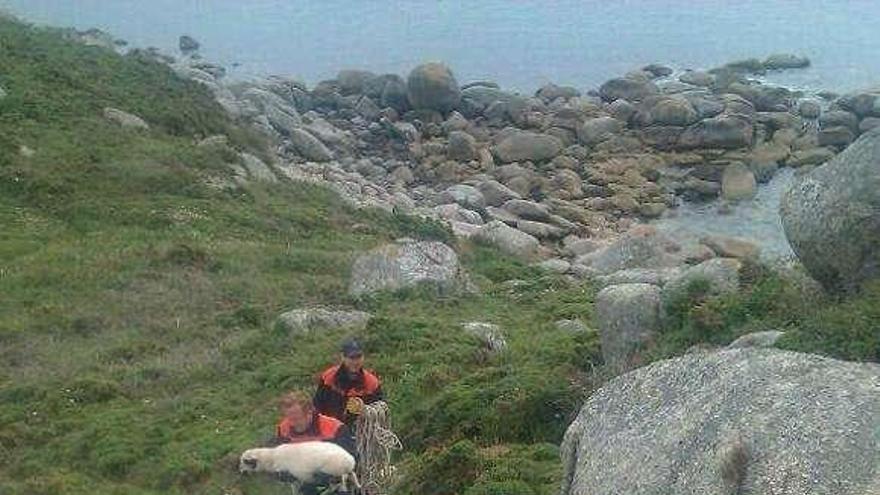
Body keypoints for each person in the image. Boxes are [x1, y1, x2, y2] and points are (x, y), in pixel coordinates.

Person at [268, 391, 356, 494]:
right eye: (289, 418)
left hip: (336, 482)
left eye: (296, 419)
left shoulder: (335, 428)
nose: (292, 424)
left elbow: (351, 459)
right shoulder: (284, 428)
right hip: (303, 483)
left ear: (310, 412)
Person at [314, 339, 384, 424]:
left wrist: (363, 410)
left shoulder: (372, 383)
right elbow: (317, 405)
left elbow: (380, 411)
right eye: (351, 358)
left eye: (358, 357)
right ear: (343, 357)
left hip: (359, 431)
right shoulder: (328, 377)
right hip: (330, 428)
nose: (355, 362)